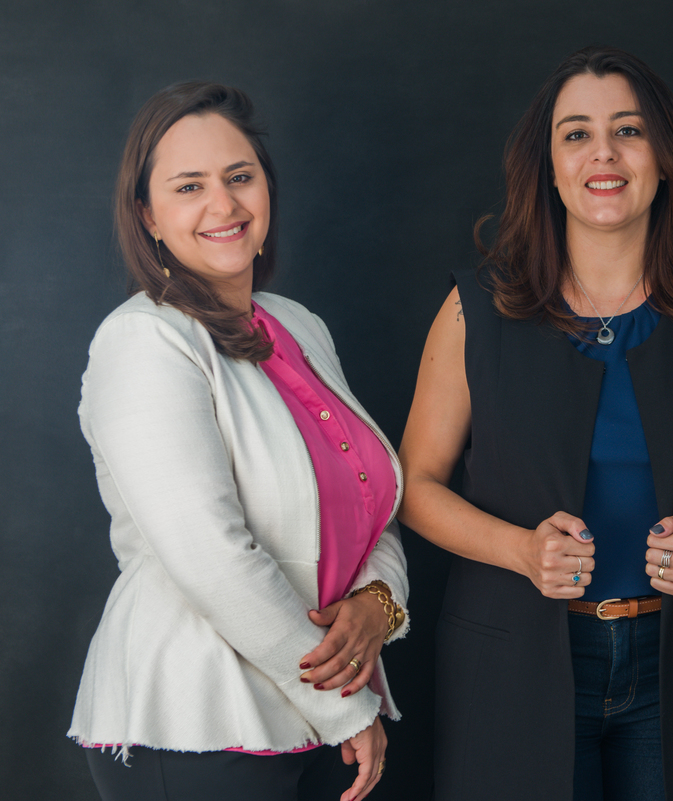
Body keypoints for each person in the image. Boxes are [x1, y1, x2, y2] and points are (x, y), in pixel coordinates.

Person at [398, 46, 673, 801]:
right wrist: (521, 551)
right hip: (517, 665)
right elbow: (414, 486)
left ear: (664, 159)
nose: (603, 153)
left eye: (629, 131)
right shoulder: (475, 309)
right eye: (576, 133)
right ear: (548, 167)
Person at [69, 82, 408, 801]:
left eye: (239, 176)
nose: (223, 205)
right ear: (148, 215)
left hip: (318, 717)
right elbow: (210, 555)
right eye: (189, 186)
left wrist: (380, 601)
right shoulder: (143, 340)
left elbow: (370, 500)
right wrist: (342, 706)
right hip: (197, 719)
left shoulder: (300, 325)